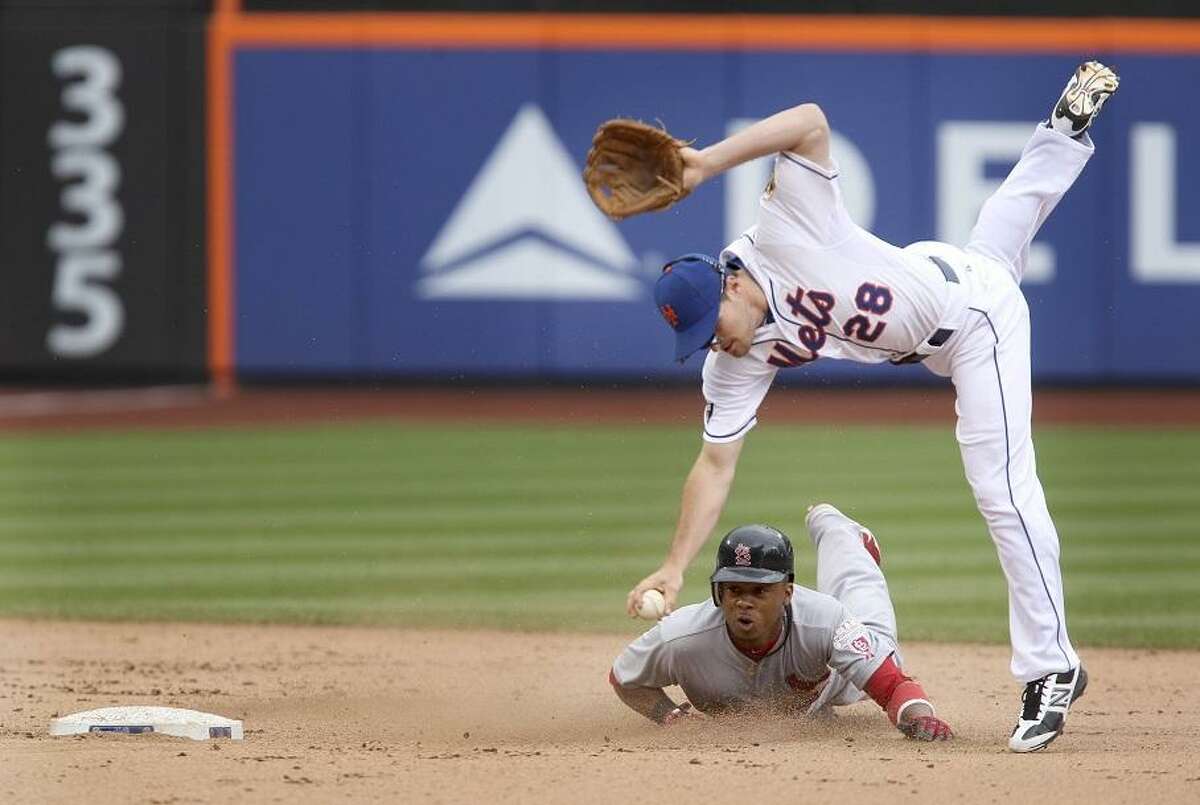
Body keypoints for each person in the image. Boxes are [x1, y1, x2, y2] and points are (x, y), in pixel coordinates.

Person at [627, 61, 1116, 752]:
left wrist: (705, 163)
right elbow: (714, 464)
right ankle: (1061, 135)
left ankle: (1052, 667)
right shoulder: (739, 358)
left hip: (976, 322)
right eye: (699, 339)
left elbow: (808, 121)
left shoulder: (786, 224)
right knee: (994, 251)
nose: (714, 343)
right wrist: (675, 565)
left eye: (712, 326)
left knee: (1002, 486)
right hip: (941, 286)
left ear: (733, 283)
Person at [611, 505, 953, 742]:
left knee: (877, 634)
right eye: (733, 589)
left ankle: (839, 532)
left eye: (759, 590)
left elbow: (894, 686)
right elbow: (624, 678)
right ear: (718, 592)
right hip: (798, 701)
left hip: (832, 680)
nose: (744, 600)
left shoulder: (823, 622)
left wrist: (919, 718)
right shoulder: (682, 636)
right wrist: (670, 717)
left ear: (787, 592)